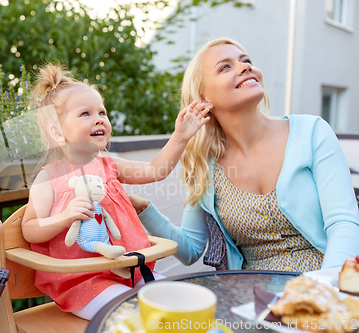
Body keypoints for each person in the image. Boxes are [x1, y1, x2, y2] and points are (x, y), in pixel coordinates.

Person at [129, 37, 359, 273]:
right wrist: (144, 208)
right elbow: (190, 249)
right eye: (225, 67)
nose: (245, 67)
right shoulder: (205, 166)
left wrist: (328, 290)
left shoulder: (312, 133)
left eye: (246, 60)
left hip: (331, 284)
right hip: (254, 298)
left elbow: (344, 223)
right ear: (204, 99)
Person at [21, 63, 210, 320]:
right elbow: (29, 227)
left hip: (127, 272)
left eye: (102, 112)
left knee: (181, 301)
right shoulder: (49, 177)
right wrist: (64, 216)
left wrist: (180, 137)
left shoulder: (110, 165)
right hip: (82, 283)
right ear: (57, 132)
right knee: (136, 317)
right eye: (85, 114)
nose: (99, 118)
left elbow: (157, 170)